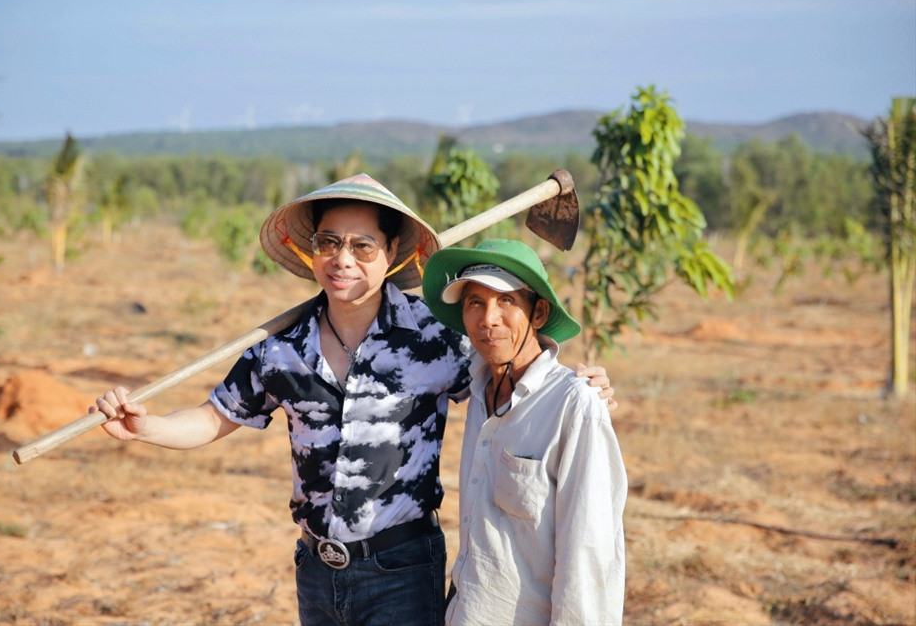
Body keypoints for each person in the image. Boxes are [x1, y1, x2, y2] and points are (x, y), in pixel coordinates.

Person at [91, 174, 617, 626]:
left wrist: (580, 386)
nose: (342, 260)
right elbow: (212, 419)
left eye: (363, 246)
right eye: (328, 243)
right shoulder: (281, 351)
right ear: (311, 252)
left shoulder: (434, 336)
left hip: (402, 569)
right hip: (316, 570)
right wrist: (146, 427)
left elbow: (511, 375)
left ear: (392, 255)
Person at [422, 238, 627, 626]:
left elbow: (589, 552)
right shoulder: (480, 389)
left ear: (539, 313)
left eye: (507, 302)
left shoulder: (574, 405)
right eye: (475, 303)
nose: (489, 319)